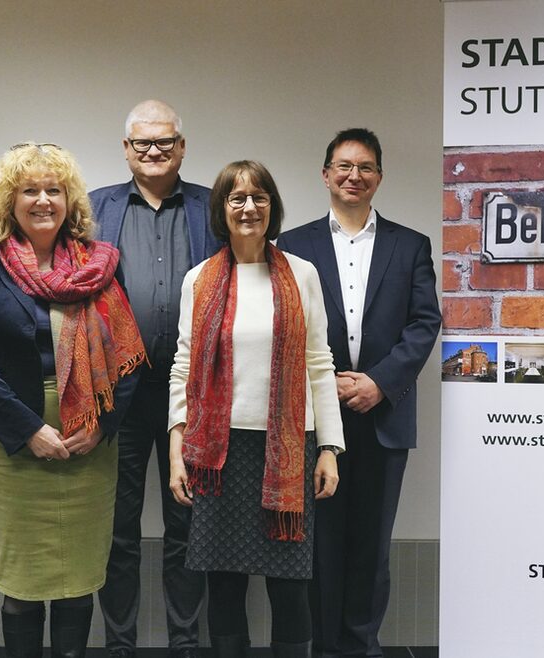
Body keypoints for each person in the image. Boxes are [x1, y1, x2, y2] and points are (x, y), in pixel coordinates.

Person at [0, 143, 144, 658]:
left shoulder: (100, 265)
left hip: (89, 442)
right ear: (10, 201)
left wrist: (103, 426)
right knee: (22, 580)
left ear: (69, 199)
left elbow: (127, 355)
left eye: (53, 190)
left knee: (79, 578)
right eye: (29, 190)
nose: (42, 200)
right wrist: (27, 431)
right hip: (14, 442)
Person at [168, 161, 344, 658]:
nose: (248, 207)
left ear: (273, 207)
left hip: (285, 451)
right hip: (217, 457)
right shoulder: (199, 279)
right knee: (224, 586)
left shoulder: (301, 275)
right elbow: (183, 367)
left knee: (289, 587)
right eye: (236, 198)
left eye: (259, 197)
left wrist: (329, 447)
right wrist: (176, 449)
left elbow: (319, 363)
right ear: (221, 210)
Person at [278, 128, 442, 658]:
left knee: (371, 545)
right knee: (319, 544)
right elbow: (285, 329)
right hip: (314, 416)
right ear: (326, 174)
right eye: (343, 166)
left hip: (382, 413)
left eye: (365, 167)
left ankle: (360, 647)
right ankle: (324, 647)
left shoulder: (410, 244)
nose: (354, 175)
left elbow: (423, 324)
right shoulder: (293, 246)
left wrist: (378, 382)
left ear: (379, 177)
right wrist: (325, 384)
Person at [89, 100, 218, 657]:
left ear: (182, 147)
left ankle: (184, 643)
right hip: (117, 394)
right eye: (142, 143)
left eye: (165, 142)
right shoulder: (93, 210)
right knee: (116, 529)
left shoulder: (213, 209)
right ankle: (119, 644)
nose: (153, 151)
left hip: (194, 394)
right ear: (126, 149)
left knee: (188, 525)